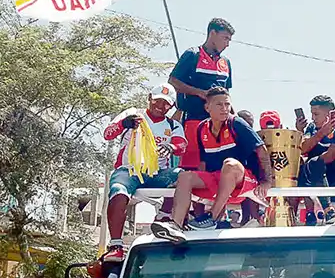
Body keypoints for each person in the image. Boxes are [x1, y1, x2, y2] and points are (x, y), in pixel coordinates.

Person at [151, 87, 273, 237]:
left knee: (230, 164)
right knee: (184, 176)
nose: (224, 108)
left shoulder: (237, 123)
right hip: (219, 179)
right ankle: (175, 225)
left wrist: (267, 181)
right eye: (219, 104)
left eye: (227, 104)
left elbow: (262, 151)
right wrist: (194, 186)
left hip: (244, 180)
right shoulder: (202, 128)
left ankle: (212, 219)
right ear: (207, 107)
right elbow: (203, 163)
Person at [100, 83, 187, 262]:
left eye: (166, 104)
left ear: (171, 106)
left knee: (183, 176)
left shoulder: (173, 124)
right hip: (129, 170)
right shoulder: (133, 113)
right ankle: (116, 245)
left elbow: (182, 145)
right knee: (117, 190)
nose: (161, 106)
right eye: (157, 101)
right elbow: (107, 134)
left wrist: (171, 147)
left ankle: (164, 217)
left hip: (158, 172)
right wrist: (124, 124)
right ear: (149, 98)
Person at [169, 18, 234, 172]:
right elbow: (173, 81)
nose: (227, 44)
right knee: (192, 166)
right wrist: (199, 93)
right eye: (225, 38)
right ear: (212, 33)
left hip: (219, 124)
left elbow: (227, 92)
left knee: (218, 166)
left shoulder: (226, 62)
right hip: (194, 120)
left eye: (229, 40)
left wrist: (233, 115)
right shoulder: (192, 55)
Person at [294, 95, 335, 223]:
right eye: (312, 114)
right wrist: (305, 132)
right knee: (307, 164)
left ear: (329, 114)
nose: (313, 118)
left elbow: (330, 156)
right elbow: (303, 149)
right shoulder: (311, 128)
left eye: (316, 114)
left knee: (315, 162)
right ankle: (325, 211)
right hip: (313, 177)